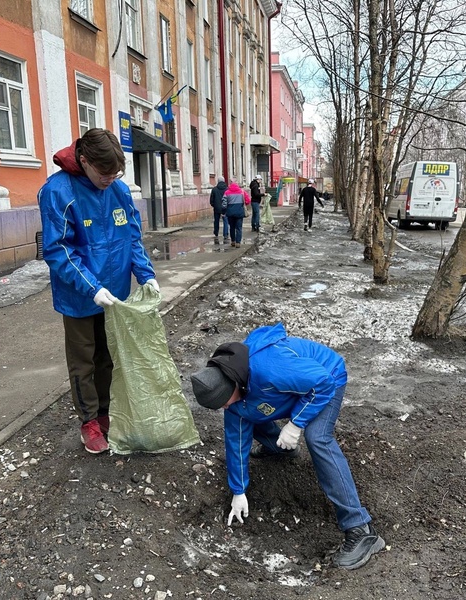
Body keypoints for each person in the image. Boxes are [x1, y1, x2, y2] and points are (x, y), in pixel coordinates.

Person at [189, 323, 385, 570]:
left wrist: (295, 424)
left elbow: (321, 384)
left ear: (235, 386)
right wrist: (238, 490)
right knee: (246, 414)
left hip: (326, 379)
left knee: (317, 438)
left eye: (223, 402)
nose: (224, 408)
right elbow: (236, 442)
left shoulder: (271, 368)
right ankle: (281, 449)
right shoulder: (234, 396)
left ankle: (361, 529)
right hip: (288, 392)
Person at [38, 128, 159, 455]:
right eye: (103, 173)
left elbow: (131, 238)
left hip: (114, 292)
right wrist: (92, 288)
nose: (110, 179)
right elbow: (58, 250)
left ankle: (105, 413)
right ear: (84, 160)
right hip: (79, 296)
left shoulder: (118, 190)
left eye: (115, 173)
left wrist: (146, 275)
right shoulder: (58, 191)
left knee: (108, 357)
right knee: (84, 361)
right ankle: (89, 421)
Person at [222, 179, 251, 248]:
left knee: (232, 227)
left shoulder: (226, 192)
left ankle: (233, 241)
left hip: (230, 213)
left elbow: (224, 204)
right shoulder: (242, 192)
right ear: (237, 185)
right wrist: (243, 204)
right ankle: (238, 242)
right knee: (239, 228)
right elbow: (248, 200)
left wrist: (224, 211)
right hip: (239, 212)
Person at [209, 176, 229, 242]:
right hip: (225, 207)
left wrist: (214, 205)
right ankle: (225, 234)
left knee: (216, 221)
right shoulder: (227, 189)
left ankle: (216, 233)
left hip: (217, 208)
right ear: (224, 181)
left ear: (218, 181)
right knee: (225, 221)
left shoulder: (214, 189)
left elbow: (211, 199)